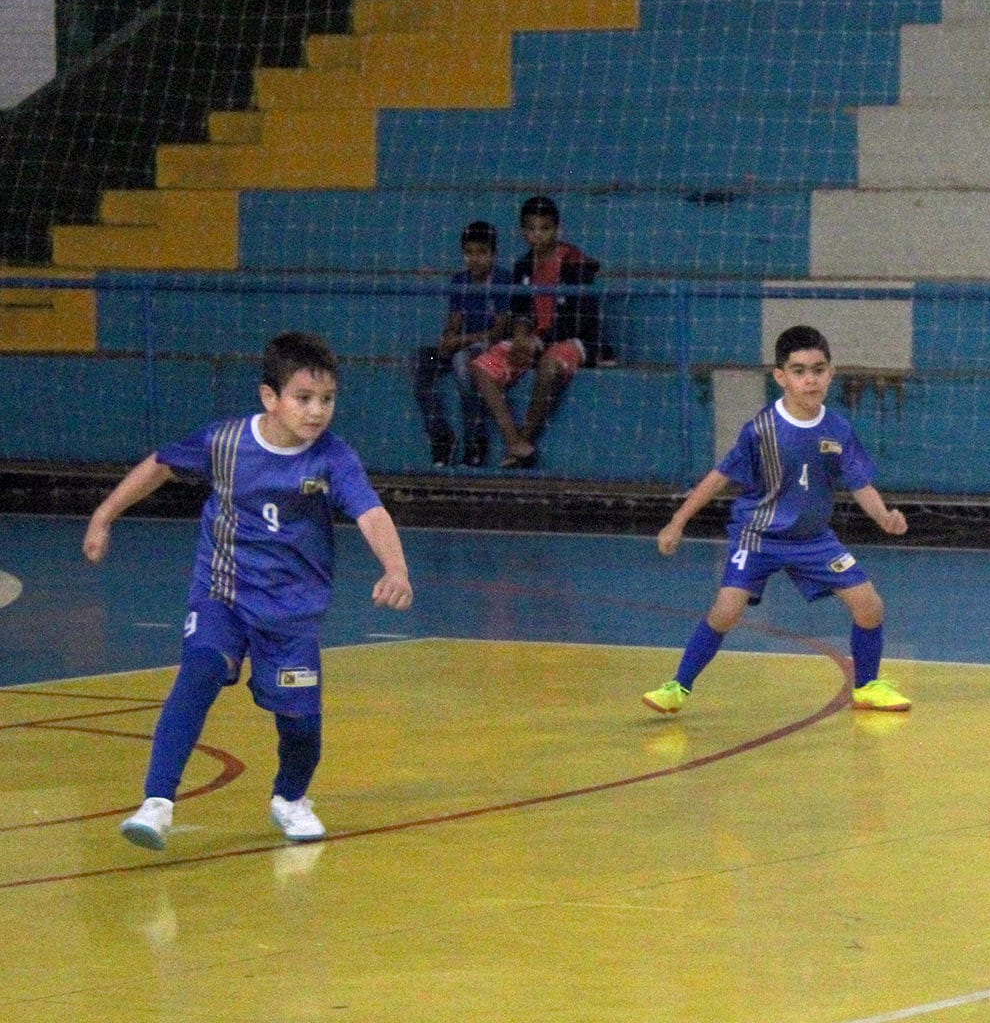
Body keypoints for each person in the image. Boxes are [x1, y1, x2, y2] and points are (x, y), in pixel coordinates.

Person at [83, 332, 414, 850]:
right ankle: (157, 801)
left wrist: (395, 568)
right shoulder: (226, 443)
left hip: (291, 611)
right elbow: (160, 464)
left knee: (301, 726)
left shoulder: (333, 458)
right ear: (270, 397)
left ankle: (290, 798)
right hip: (224, 592)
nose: (317, 411)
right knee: (199, 671)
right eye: (303, 398)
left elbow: (370, 512)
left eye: (327, 399)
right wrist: (104, 515)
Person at [642, 324, 912, 715]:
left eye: (818, 370)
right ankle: (677, 687)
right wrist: (677, 521)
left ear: (831, 373)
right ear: (781, 377)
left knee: (869, 605)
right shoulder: (761, 429)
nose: (810, 379)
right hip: (759, 536)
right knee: (727, 610)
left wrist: (884, 516)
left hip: (813, 539)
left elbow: (860, 484)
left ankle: (867, 687)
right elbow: (720, 476)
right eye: (799, 371)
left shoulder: (838, 429)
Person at [471, 195, 601, 468]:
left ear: (557, 229)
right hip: (534, 341)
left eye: (545, 228)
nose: (538, 235)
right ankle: (514, 442)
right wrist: (521, 336)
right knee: (482, 368)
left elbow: (581, 320)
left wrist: (538, 341)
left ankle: (526, 438)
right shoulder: (523, 266)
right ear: (523, 231)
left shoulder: (576, 264)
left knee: (550, 366)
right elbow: (520, 311)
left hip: (573, 340)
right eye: (531, 229)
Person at [414, 219, 507, 467]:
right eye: (469, 253)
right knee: (421, 361)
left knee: (463, 362)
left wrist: (462, 341)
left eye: (481, 252)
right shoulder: (460, 282)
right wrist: (447, 338)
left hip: (487, 353)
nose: (474, 259)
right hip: (460, 347)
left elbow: (498, 332)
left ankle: (476, 440)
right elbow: (454, 321)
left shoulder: (502, 281)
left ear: (494, 254)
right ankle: (441, 436)